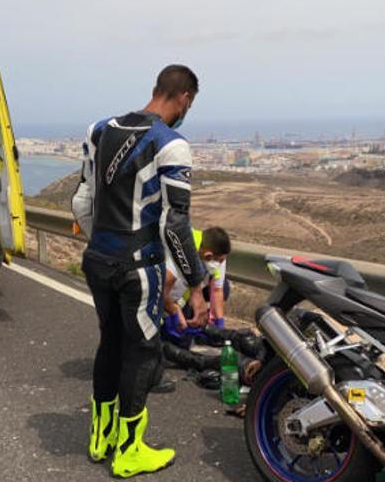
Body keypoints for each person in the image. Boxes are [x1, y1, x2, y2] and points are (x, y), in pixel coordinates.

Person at [71, 64, 207, 478]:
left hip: (98, 258)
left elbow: (81, 202)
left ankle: (100, 437)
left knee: (109, 341)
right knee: (143, 352)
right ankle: (130, 451)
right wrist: (197, 284)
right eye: (190, 104)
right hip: (138, 266)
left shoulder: (99, 129)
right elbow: (175, 225)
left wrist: (103, 243)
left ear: (155, 88)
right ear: (184, 98)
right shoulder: (171, 144)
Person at [157, 227, 265, 389]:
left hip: (180, 294)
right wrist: (173, 311)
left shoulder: (216, 257)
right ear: (208, 255)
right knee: (157, 346)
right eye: (218, 260)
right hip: (153, 291)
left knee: (182, 339)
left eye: (222, 260)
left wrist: (219, 328)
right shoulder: (181, 253)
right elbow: (159, 290)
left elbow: (217, 290)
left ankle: (198, 333)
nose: (219, 264)